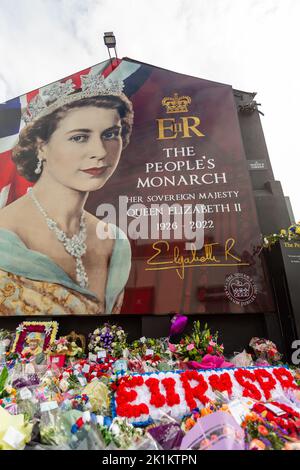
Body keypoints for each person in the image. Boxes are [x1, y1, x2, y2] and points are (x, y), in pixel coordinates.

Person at [0, 73, 133, 315]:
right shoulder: (5, 234)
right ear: (41, 146)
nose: (100, 151)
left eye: (110, 134)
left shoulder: (115, 241)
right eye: (79, 137)